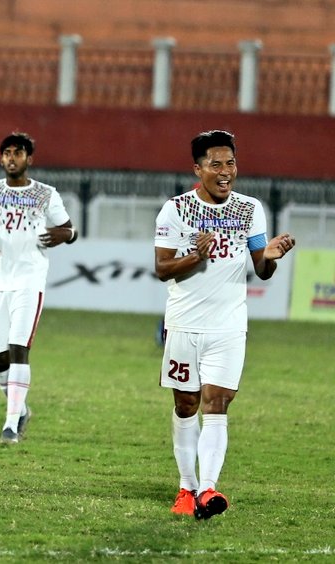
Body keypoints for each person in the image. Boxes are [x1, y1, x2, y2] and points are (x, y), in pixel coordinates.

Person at [155, 130, 295, 519]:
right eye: (215, 164)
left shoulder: (250, 209)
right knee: (187, 404)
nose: (225, 171)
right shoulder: (175, 210)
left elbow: (262, 271)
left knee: (217, 404)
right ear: (197, 168)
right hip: (184, 324)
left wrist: (268, 256)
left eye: (230, 162)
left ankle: (208, 491)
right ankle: (187, 488)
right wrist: (195, 258)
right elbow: (162, 267)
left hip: (229, 327)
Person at [0, 132, 76, 446]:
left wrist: (65, 235)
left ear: (29, 159)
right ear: (1, 158)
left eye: (18, 153)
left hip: (30, 281)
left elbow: (69, 228)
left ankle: (11, 424)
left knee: (19, 349)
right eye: (6, 153)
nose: (11, 158)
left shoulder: (46, 194)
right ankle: (21, 409)